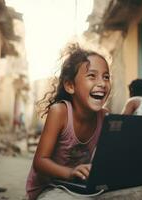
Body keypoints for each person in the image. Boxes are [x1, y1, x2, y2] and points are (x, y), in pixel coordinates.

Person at [26, 43, 111, 200]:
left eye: (106, 77)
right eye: (92, 76)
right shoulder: (60, 112)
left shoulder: (105, 117)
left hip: (77, 186)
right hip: (47, 186)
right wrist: (70, 173)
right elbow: (40, 162)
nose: (102, 83)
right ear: (70, 85)